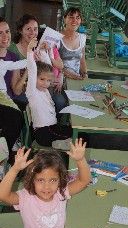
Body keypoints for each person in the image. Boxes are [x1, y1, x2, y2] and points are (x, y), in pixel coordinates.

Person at [0, 138, 91, 228]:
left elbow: (84, 181)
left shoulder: (61, 192)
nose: (47, 187)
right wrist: (15, 169)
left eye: (53, 180)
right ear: (32, 180)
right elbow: (2, 195)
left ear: (60, 180)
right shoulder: (26, 197)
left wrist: (80, 160)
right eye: (40, 180)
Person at [26, 38, 72, 148]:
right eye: (42, 79)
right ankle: (60, 144)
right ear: (35, 78)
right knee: (77, 138)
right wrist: (29, 50)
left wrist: (47, 50)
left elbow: (49, 68)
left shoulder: (45, 90)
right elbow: (32, 70)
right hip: (43, 133)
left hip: (52, 127)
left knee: (75, 133)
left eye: (48, 81)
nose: (45, 83)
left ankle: (62, 143)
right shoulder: (32, 91)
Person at [0, 17, 23, 159]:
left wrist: (27, 71)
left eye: (7, 31)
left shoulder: (13, 57)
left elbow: (16, 90)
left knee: (17, 115)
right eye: (0, 33)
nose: (5, 36)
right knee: (14, 116)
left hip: (8, 99)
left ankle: (5, 155)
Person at [8, 14, 39, 110]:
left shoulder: (36, 48)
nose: (32, 32)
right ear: (20, 30)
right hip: (16, 93)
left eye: (35, 29)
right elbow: (16, 90)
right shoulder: (13, 51)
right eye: (28, 29)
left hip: (32, 89)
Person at [59, 7, 87, 80]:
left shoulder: (82, 38)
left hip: (75, 80)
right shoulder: (57, 38)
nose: (74, 21)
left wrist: (85, 74)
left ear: (80, 20)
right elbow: (52, 63)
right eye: (71, 17)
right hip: (59, 80)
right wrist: (69, 74)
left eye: (77, 18)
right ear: (65, 19)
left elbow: (82, 60)